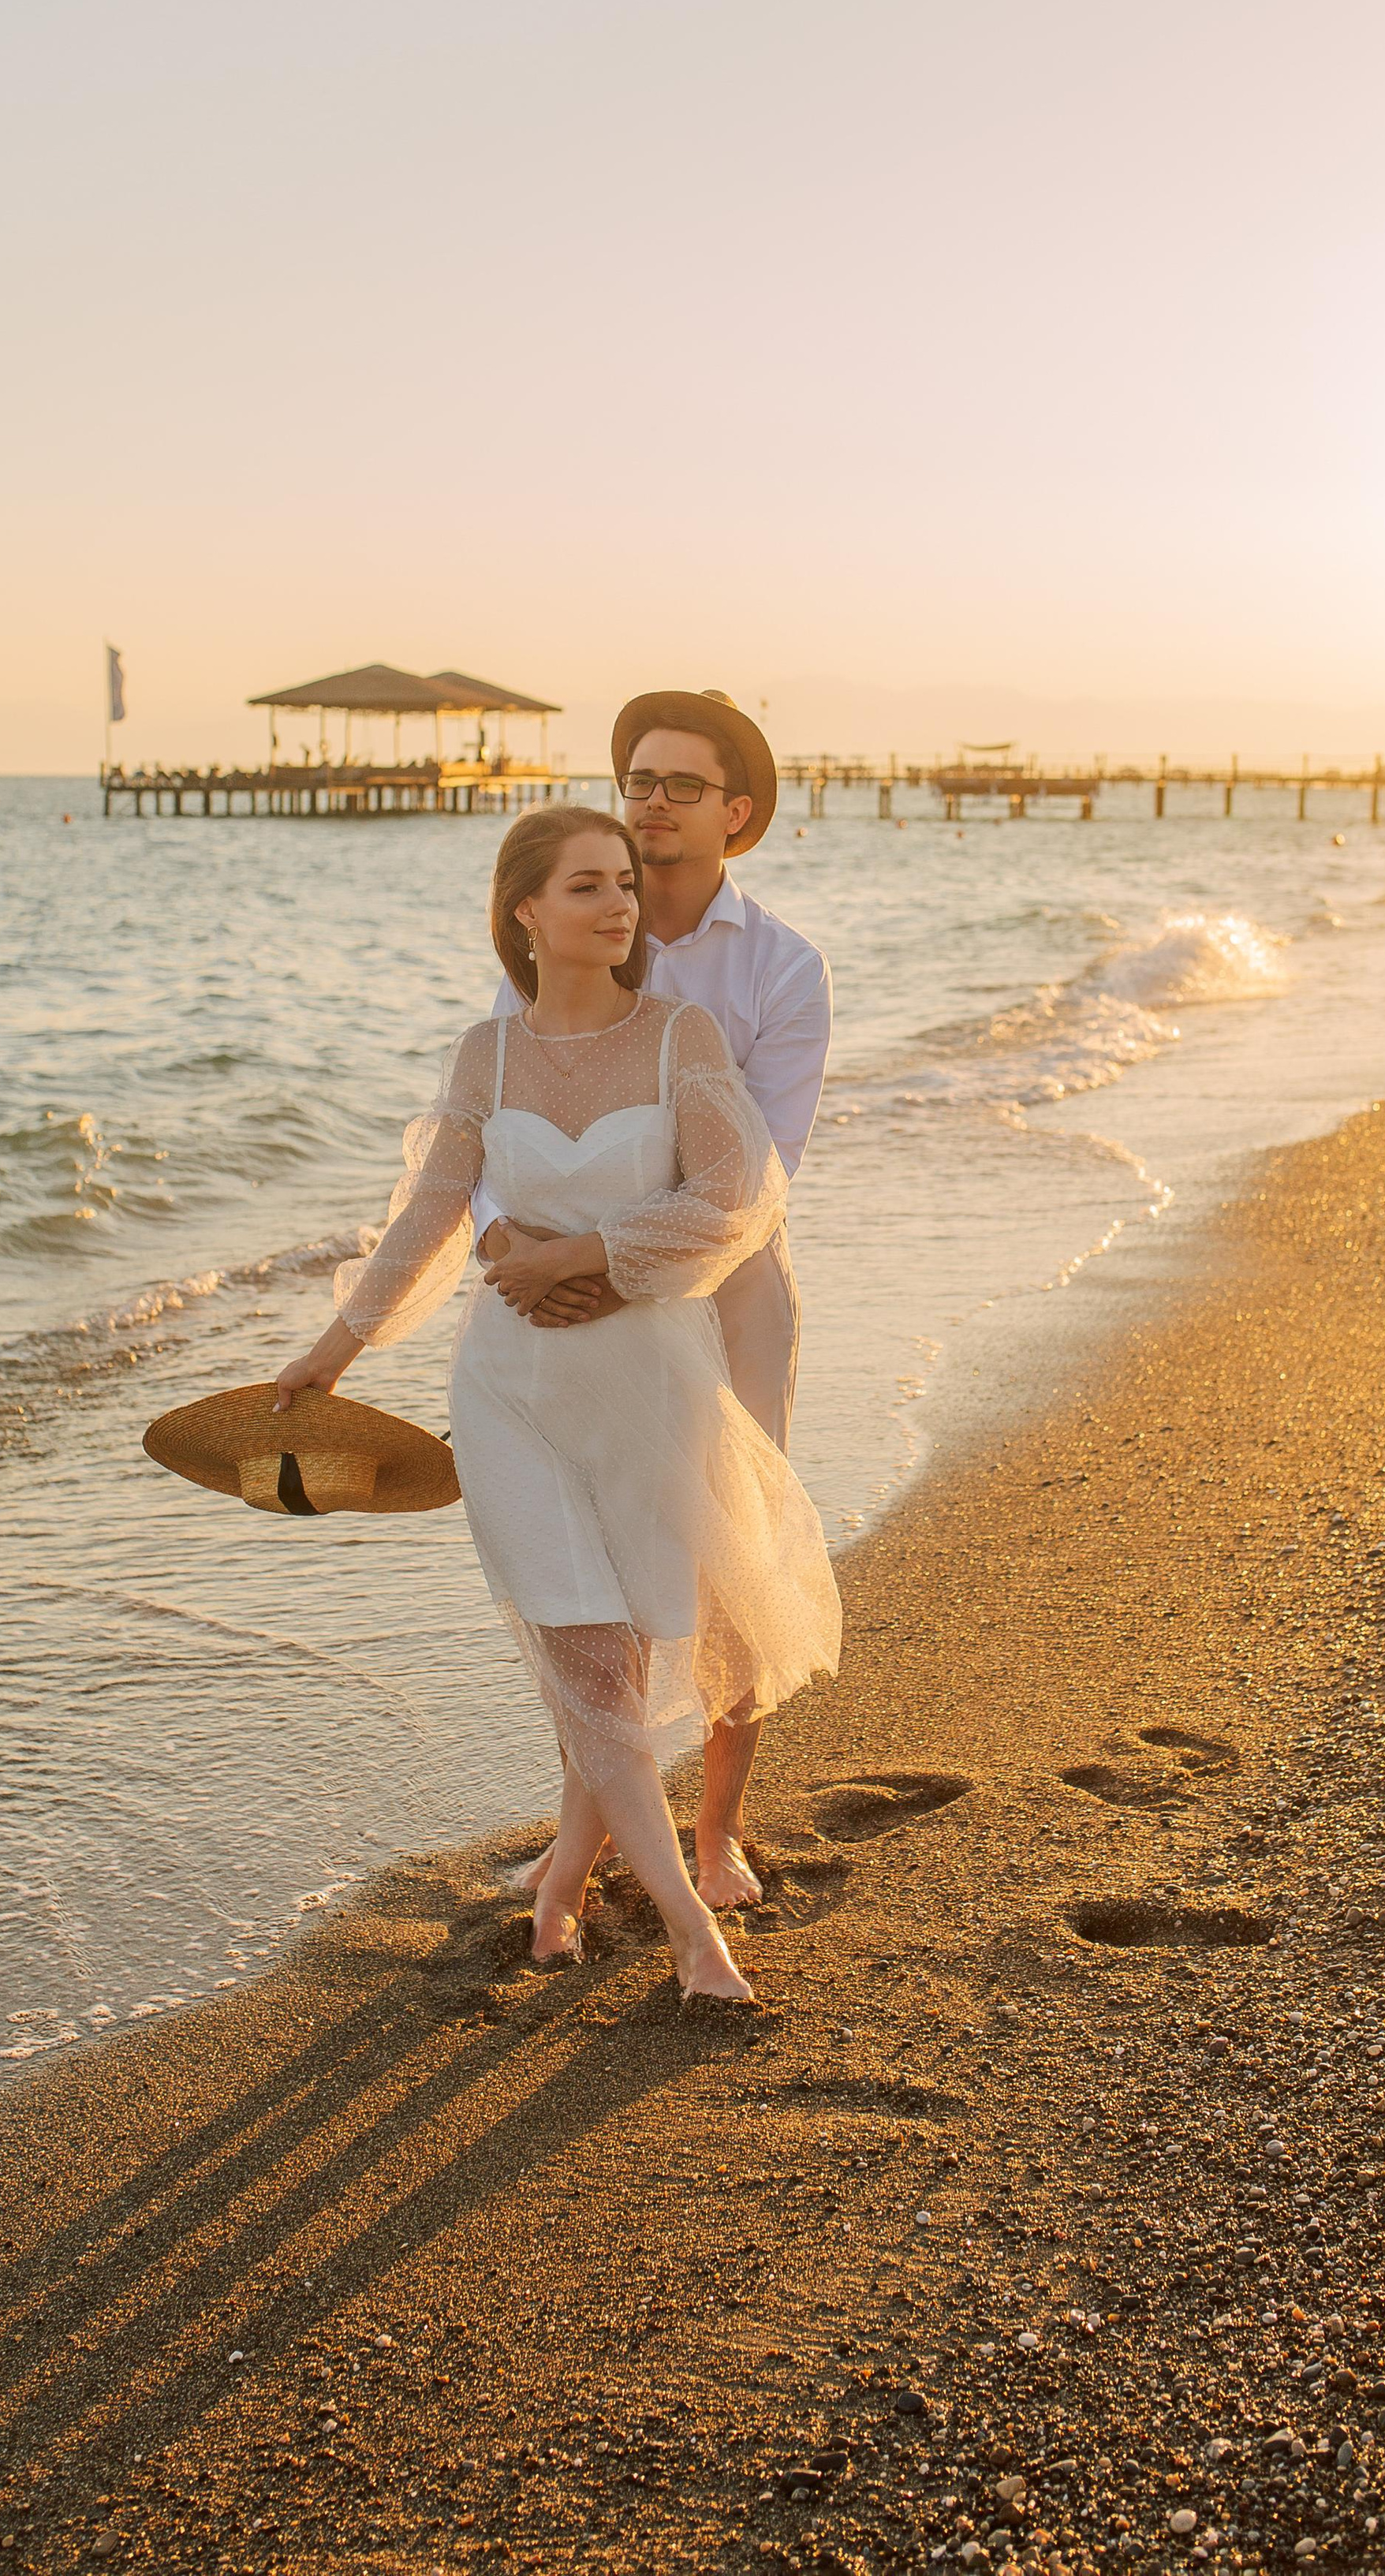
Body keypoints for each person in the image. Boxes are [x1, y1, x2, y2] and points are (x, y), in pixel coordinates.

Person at [272, 804, 842, 2005]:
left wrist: (584, 1255)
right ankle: (694, 1937)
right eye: (588, 886)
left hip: (651, 1388)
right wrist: (337, 1346)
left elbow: (738, 1196)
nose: (620, 905)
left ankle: (558, 1890)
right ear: (525, 913)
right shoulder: (484, 1057)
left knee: (623, 1656)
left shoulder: (681, 1037)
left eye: (625, 884)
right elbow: (431, 1213)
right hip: (510, 1392)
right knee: (587, 1662)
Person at [475, 689, 832, 1911]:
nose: (652, 804)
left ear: (737, 813)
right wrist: (517, 1254)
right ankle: (607, 1819)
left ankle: (718, 1832)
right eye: (637, 780)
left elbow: (761, 1182)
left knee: (729, 1552)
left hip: (726, 1294)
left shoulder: (780, 967)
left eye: (680, 785)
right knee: (579, 1561)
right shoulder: (569, 929)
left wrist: (601, 1260)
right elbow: (497, 1122)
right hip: (557, 1303)